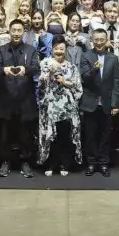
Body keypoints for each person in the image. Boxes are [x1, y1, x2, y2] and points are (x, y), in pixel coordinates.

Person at [0, 20, 40, 178]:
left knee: (25, 135)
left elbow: (36, 68)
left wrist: (25, 69)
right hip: (5, 99)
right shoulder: (1, 50)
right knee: (5, 135)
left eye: (19, 30)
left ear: (23, 32)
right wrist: (4, 70)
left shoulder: (31, 50)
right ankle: (5, 161)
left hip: (25, 100)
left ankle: (25, 162)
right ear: (9, 31)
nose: (16, 33)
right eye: (14, 30)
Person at [37, 40, 84, 175]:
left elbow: (78, 87)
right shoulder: (45, 64)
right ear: (52, 49)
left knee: (64, 135)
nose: (59, 51)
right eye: (56, 48)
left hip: (66, 107)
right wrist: (47, 75)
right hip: (50, 106)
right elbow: (40, 87)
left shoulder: (71, 67)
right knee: (51, 137)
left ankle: (64, 164)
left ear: (66, 50)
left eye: (62, 49)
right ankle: (51, 164)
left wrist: (64, 82)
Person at [79, 28, 119, 176]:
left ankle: (103, 163)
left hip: (107, 102)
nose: (99, 43)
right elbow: (84, 78)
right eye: (96, 40)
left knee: (105, 135)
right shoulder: (86, 56)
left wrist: (115, 104)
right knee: (90, 135)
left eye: (102, 40)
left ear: (106, 41)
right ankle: (91, 163)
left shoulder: (113, 58)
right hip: (90, 102)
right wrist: (94, 69)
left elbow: (116, 82)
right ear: (92, 41)